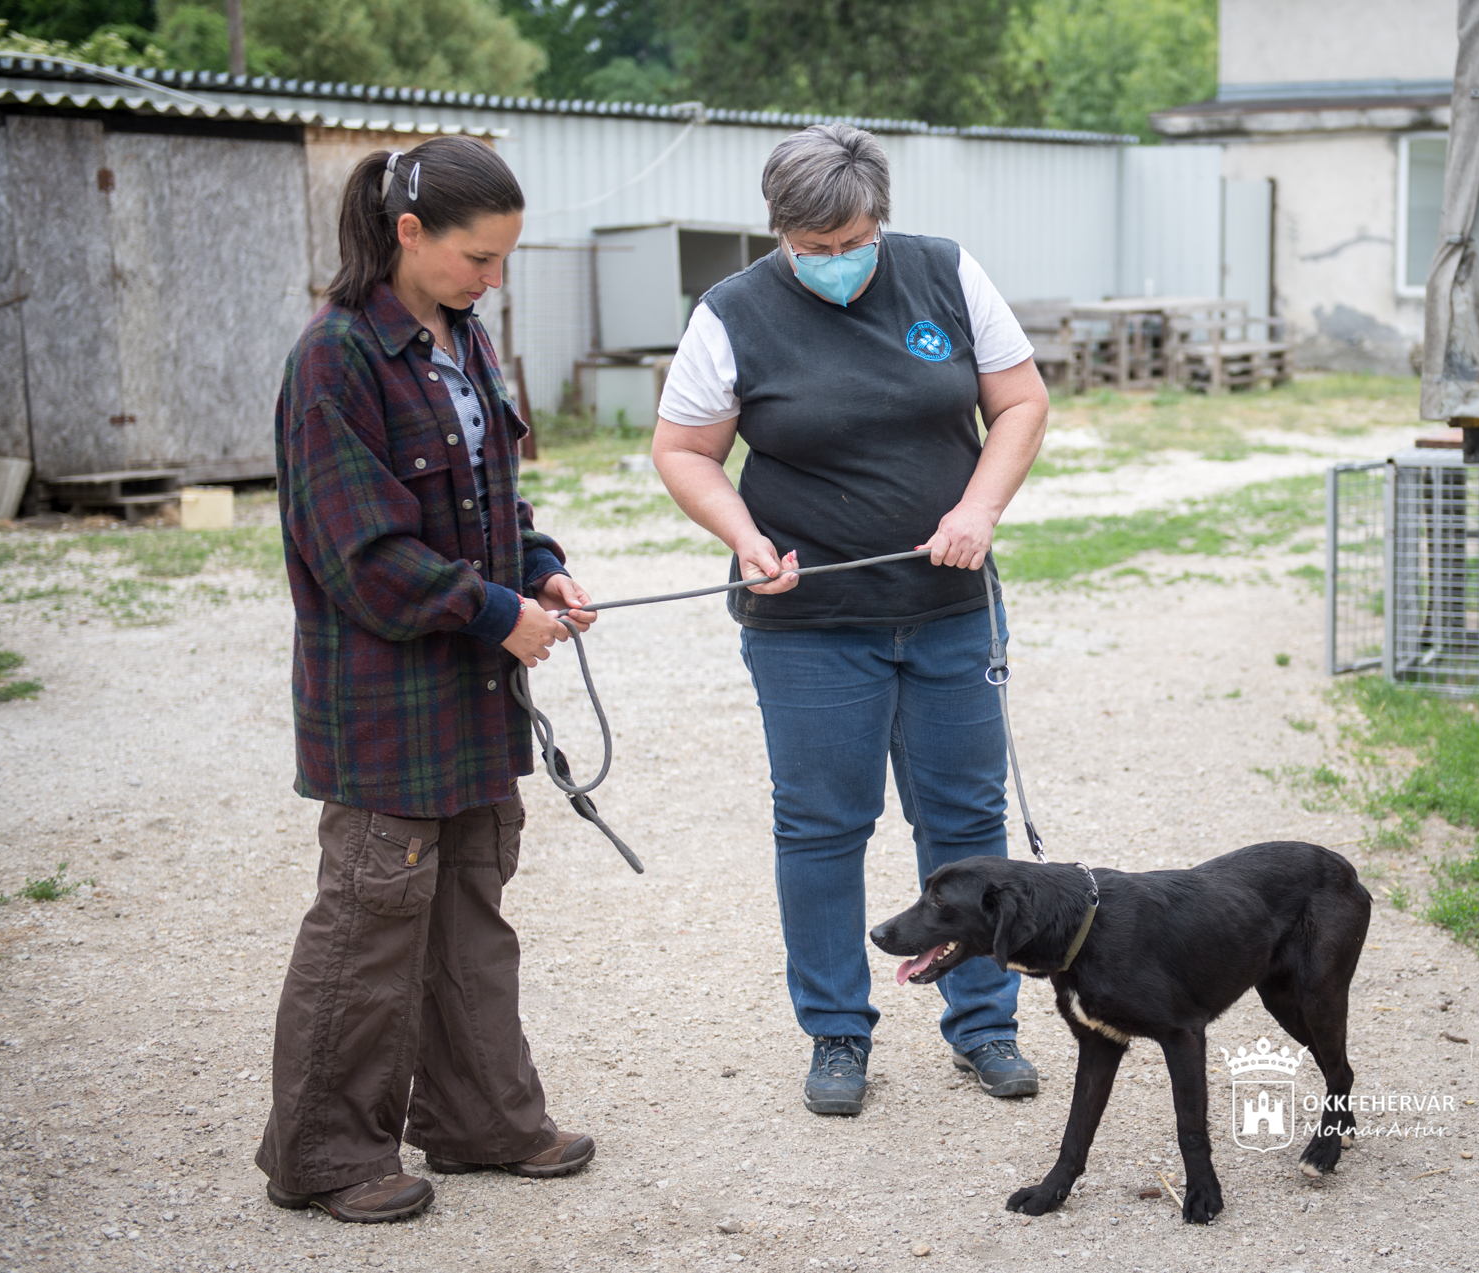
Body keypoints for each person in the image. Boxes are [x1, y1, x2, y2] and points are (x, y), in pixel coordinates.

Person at [652, 123, 1051, 1116]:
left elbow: (1020, 402)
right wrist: (744, 537)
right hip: (810, 628)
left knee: (963, 818)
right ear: (779, 232)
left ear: (881, 220)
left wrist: (976, 511)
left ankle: (984, 1022)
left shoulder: (944, 277)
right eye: (809, 247)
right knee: (824, 824)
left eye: (849, 242)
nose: (832, 262)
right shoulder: (732, 311)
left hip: (949, 611)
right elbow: (684, 450)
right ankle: (836, 1031)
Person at [256, 135, 598, 1223]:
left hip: (474, 698)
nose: (490, 280)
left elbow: (500, 508)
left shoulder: (463, 339)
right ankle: (321, 1154)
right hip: (385, 707)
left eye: (502, 262)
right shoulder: (335, 360)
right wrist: (498, 613)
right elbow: (362, 557)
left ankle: (479, 1120)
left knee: (468, 917)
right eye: (476, 259)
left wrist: (543, 572)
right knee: (370, 927)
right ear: (408, 234)